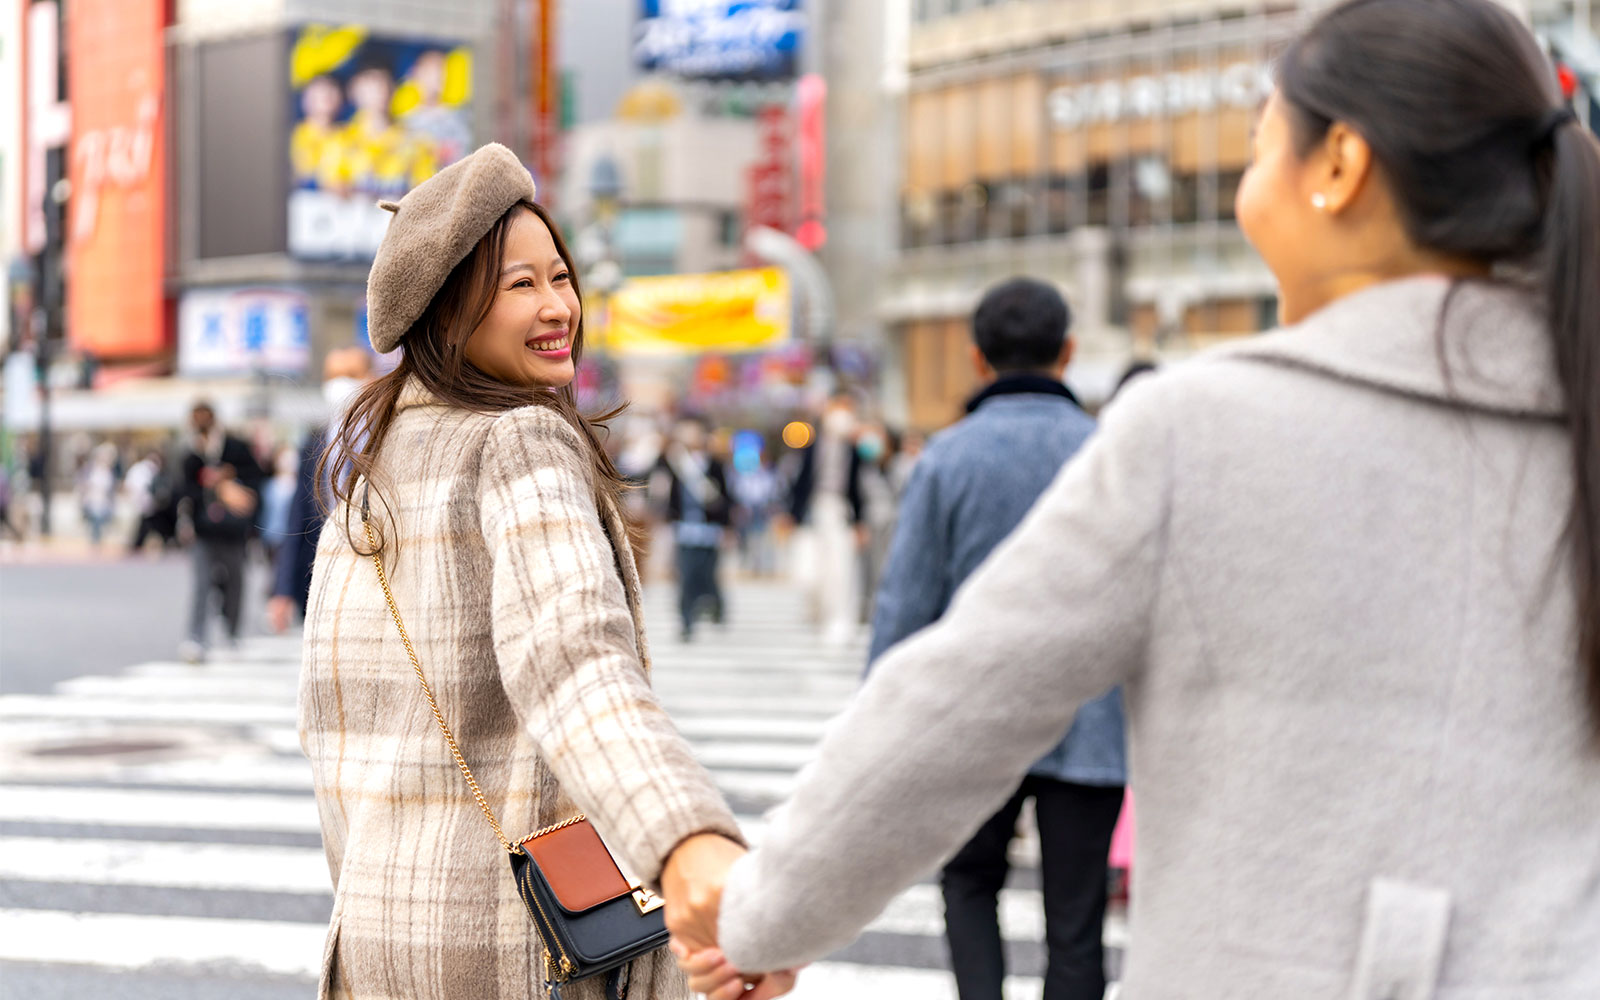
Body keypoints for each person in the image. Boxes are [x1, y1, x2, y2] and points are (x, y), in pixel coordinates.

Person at [670, 2, 1600, 997]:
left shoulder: (1201, 431)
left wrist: (760, 914)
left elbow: (950, 712)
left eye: (1255, 150)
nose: (1248, 190)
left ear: (1338, 165)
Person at [298, 143, 783, 1000]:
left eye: (559, 276)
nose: (559, 304)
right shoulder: (519, 438)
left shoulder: (373, 468)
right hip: (513, 945)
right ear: (449, 312)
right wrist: (689, 842)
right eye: (520, 286)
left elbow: (332, 732)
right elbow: (574, 662)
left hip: (375, 936)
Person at [867, 277, 1126, 1000]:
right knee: (1077, 920)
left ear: (977, 359)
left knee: (970, 880)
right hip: (1094, 717)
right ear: (1067, 353)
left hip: (976, 717)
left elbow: (906, 603)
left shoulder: (946, 459)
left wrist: (880, 727)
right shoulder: (1109, 452)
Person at [266, 347, 374, 634]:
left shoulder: (385, 434)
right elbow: (297, 517)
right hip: (319, 574)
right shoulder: (314, 441)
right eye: (333, 376)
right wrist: (282, 589)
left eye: (350, 375)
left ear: (370, 378)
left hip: (373, 575)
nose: (340, 385)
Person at [180, 401, 265, 662]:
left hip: (233, 529)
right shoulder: (190, 453)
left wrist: (231, 480)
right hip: (203, 530)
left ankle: (232, 633)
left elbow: (257, 481)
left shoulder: (234, 447)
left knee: (235, 583)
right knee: (202, 585)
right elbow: (182, 492)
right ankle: (196, 638)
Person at [784, 393, 865, 646]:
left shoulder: (855, 449)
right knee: (813, 572)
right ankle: (818, 613)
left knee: (842, 570)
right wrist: (792, 516)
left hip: (841, 513)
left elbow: (858, 488)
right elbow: (802, 482)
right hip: (815, 513)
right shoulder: (813, 445)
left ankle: (841, 620)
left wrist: (860, 521)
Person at [653, 415, 733, 642]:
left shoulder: (715, 465)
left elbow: (726, 498)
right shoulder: (675, 461)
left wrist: (728, 526)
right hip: (684, 529)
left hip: (710, 530)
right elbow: (657, 478)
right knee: (686, 576)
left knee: (708, 575)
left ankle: (715, 604)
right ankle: (686, 621)